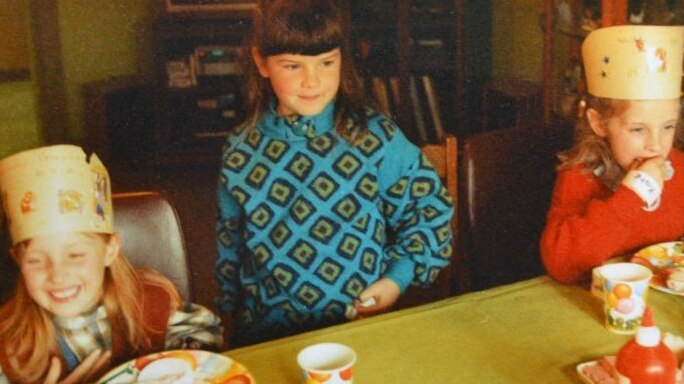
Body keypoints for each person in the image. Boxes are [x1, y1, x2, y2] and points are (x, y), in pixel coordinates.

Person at [216, 0, 454, 346]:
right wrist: (226, 311)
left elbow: (429, 212)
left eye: (327, 62)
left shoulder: (374, 137)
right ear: (261, 63)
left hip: (358, 326)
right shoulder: (239, 149)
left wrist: (395, 280)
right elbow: (229, 242)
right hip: (267, 333)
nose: (312, 81)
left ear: (343, 58)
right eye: (292, 65)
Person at [0, 145, 223, 384]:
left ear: (110, 250)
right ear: (18, 261)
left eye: (75, 255)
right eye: (35, 260)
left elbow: (202, 328)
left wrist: (181, 364)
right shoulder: (9, 343)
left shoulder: (150, 300)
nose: (58, 275)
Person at [541, 25, 684, 284]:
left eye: (668, 127)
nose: (656, 145)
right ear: (599, 123)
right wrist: (633, 195)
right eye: (638, 129)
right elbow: (561, 264)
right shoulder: (580, 175)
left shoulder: (679, 168)